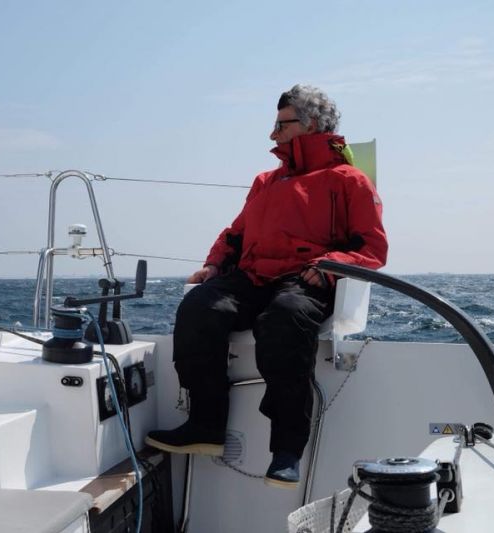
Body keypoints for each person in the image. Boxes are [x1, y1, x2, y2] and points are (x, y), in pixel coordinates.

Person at [145, 84, 388, 488]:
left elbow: (373, 247)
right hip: (251, 276)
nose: (273, 135)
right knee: (199, 308)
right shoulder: (265, 181)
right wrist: (213, 264)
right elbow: (235, 234)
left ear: (309, 125)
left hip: (306, 279)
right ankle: (204, 425)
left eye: (281, 124)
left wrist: (333, 265)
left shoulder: (349, 181)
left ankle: (287, 449)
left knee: (284, 319)